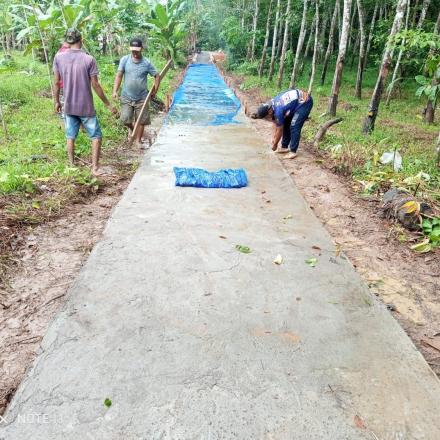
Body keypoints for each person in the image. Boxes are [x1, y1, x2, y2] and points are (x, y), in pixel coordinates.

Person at [53, 28, 118, 176]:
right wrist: (108, 104)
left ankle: (71, 165)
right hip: (86, 107)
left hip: (68, 105)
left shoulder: (59, 58)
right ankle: (95, 168)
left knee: (70, 136)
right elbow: (95, 85)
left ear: (68, 42)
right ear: (81, 40)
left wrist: (57, 101)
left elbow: (56, 83)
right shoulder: (89, 59)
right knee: (96, 136)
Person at [112, 38, 161, 149]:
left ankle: (138, 140)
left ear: (141, 49)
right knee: (125, 119)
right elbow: (119, 75)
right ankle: (133, 129)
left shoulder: (146, 63)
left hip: (142, 97)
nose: (134, 53)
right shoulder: (124, 60)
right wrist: (115, 90)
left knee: (142, 120)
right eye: (132, 50)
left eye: (137, 50)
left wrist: (155, 91)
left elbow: (157, 76)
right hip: (126, 96)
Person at [253, 89, 313, 159]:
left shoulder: (278, 110)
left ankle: (293, 151)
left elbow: (279, 129)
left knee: (294, 126)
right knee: (286, 122)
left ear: (269, 112)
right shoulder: (272, 104)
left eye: (267, 117)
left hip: (305, 103)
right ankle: (284, 147)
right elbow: (277, 124)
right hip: (295, 103)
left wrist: (275, 145)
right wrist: (274, 138)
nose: (268, 118)